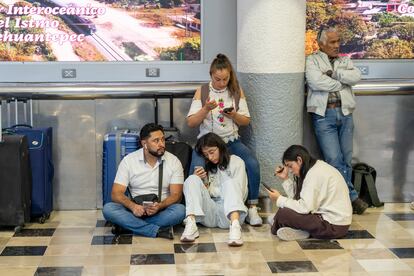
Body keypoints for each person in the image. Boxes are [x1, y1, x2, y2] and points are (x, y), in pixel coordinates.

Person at [187, 53, 262, 226]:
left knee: (252, 163)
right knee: (196, 168)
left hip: (230, 141)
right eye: (217, 79)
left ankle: (252, 207)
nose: (221, 83)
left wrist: (234, 114)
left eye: (225, 79)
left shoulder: (236, 91)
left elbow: (246, 121)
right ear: (211, 75)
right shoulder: (203, 91)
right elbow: (191, 122)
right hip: (207, 143)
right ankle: (192, 211)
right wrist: (205, 109)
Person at [305, 26, 368, 215]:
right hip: (324, 116)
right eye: (332, 42)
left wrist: (334, 75)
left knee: (347, 159)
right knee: (334, 159)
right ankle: (351, 197)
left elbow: (356, 77)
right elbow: (316, 82)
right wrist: (342, 82)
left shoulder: (345, 60)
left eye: (338, 41)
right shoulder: (312, 60)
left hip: (346, 114)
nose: (336, 45)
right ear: (321, 44)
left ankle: (343, 200)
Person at [102, 123, 185, 239]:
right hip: (134, 211)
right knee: (108, 209)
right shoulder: (129, 161)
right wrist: (133, 207)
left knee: (180, 210)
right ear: (144, 143)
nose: (161, 144)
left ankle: (127, 226)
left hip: (160, 210)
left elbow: (177, 195)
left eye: (162, 139)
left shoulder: (173, 161)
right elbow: (116, 194)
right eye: (156, 141)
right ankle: (156, 230)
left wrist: (159, 206)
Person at [266, 145, 352, 241]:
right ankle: (297, 229)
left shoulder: (314, 174)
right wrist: (285, 179)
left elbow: (304, 208)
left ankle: (295, 228)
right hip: (333, 223)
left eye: (290, 166)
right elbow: (299, 198)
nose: (290, 171)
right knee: (285, 210)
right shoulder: (314, 168)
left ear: (299, 160)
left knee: (283, 213)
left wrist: (279, 199)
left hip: (332, 227)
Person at [180, 132, 248, 246]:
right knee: (192, 179)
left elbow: (240, 193)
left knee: (230, 183)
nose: (210, 157)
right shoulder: (209, 167)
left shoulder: (237, 162)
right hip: (210, 214)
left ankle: (235, 229)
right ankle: (191, 224)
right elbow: (208, 195)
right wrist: (202, 181)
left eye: (212, 152)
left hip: (230, 215)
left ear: (220, 147)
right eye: (206, 155)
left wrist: (213, 190)